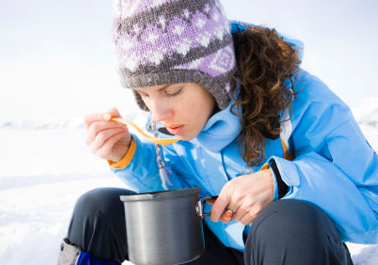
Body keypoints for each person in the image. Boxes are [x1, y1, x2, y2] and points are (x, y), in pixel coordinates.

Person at [57, 0, 378, 264]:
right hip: (213, 253)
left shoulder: (304, 101)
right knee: (98, 209)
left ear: (215, 76)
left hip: (294, 250)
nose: (156, 113)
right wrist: (128, 154)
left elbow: (372, 211)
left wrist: (282, 181)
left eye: (172, 90)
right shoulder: (170, 120)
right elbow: (175, 196)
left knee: (285, 222)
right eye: (144, 94)